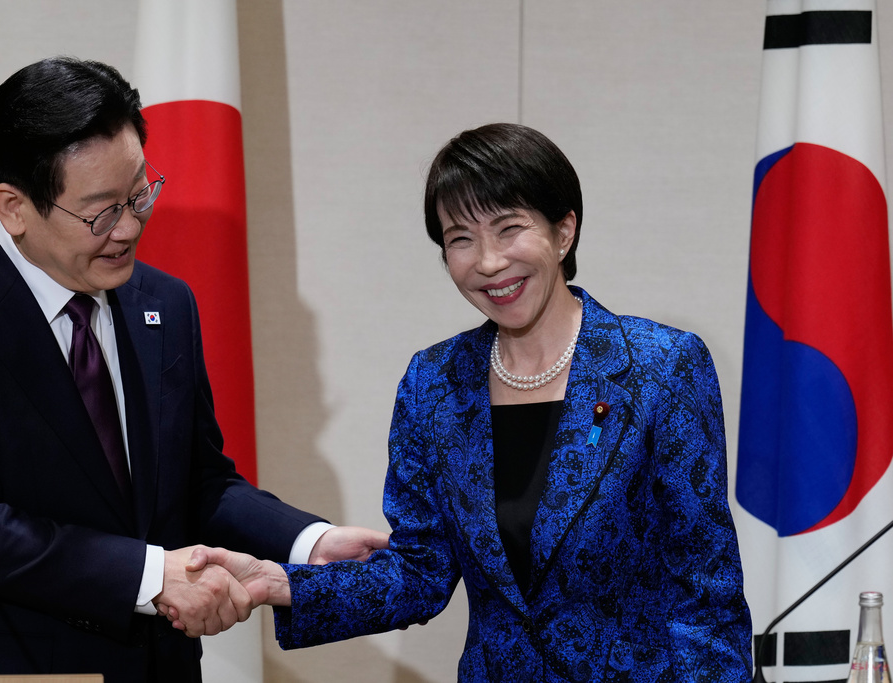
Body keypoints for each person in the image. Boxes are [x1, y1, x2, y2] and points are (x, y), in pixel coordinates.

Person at [183, 123, 753, 681]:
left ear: (563, 231)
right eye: (460, 239)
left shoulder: (661, 366)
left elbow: (707, 589)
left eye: (509, 229)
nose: (487, 262)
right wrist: (278, 582)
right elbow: (420, 571)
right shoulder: (433, 383)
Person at [0, 57, 387, 682]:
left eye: (140, 194)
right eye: (100, 212)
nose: (130, 227)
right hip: (18, 668)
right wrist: (152, 576)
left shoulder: (165, 303)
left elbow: (199, 482)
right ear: (14, 207)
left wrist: (308, 543)